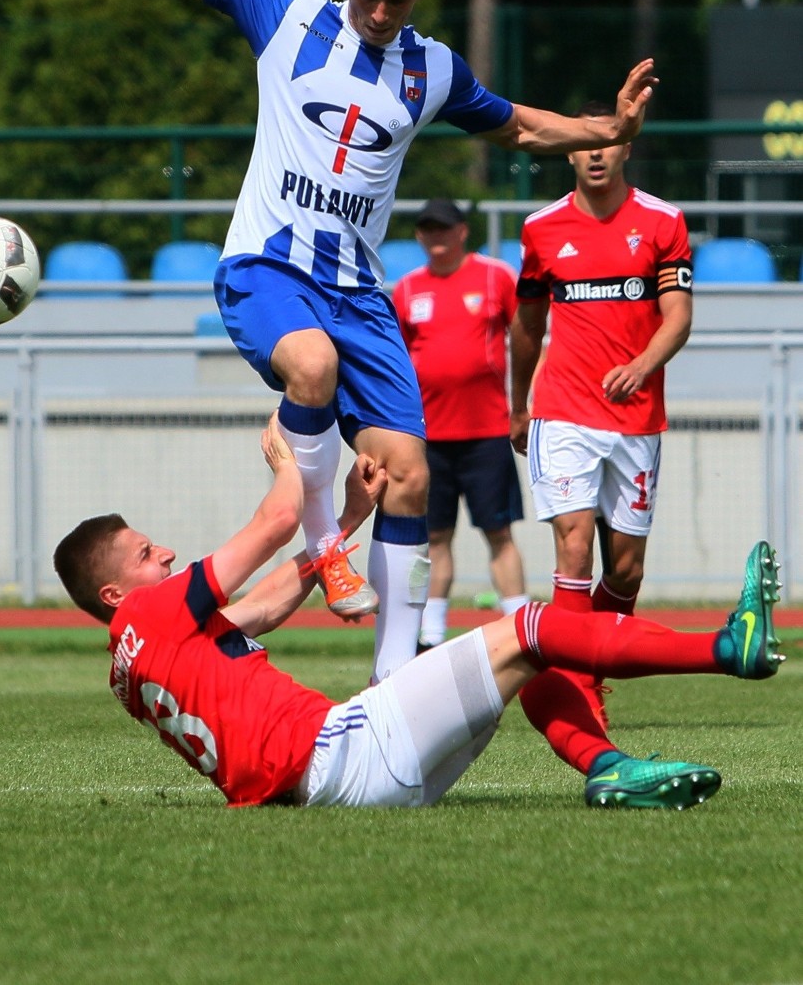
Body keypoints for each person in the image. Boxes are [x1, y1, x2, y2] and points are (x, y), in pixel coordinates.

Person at [152, 0, 659, 683]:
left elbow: (518, 125)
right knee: (310, 368)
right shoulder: (287, 11)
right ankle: (321, 539)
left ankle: (392, 686)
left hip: (357, 291)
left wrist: (607, 132)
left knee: (410, 479)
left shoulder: (431, 68)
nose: (383, 11)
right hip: (266, 266)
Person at [52, 413, 784, 811]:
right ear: (116, 593)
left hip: (341, 786)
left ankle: (610, 767)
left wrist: (347, 513)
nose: (167, 554)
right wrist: (289, 464)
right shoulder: (158, 613)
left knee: (531, 657)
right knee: (529, 626)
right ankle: (728, 648)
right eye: (148, 554)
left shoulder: (135, 659)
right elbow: (276, 523)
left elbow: (262, 607)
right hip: (348, 752)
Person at [510, 103, 693, 738]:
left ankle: (574, 657)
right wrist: (517, 404)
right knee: (573, 544)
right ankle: (576, 694)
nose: (595, 153)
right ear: (570, 153)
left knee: (627, 571)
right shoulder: (539, 229)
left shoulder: (664, 222)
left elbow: (678, 316)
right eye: (584, 143)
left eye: (607, 142)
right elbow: (526, 327)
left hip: (637, 418)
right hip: (562, 413)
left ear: (625, 149)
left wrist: (642, 365)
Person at [392, 198, 529, 647]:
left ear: (462, 231)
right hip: (429, 436)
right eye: (428, 229)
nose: (436, 238)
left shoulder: (494, 277)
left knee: (499, 533)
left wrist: (524, 407)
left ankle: (523, 630)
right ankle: (431, 636)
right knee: (435, 538)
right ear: (418, 235)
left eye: (444, 229)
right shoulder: (409, 290)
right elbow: (397, 360)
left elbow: (528, 338)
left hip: (487, 432)